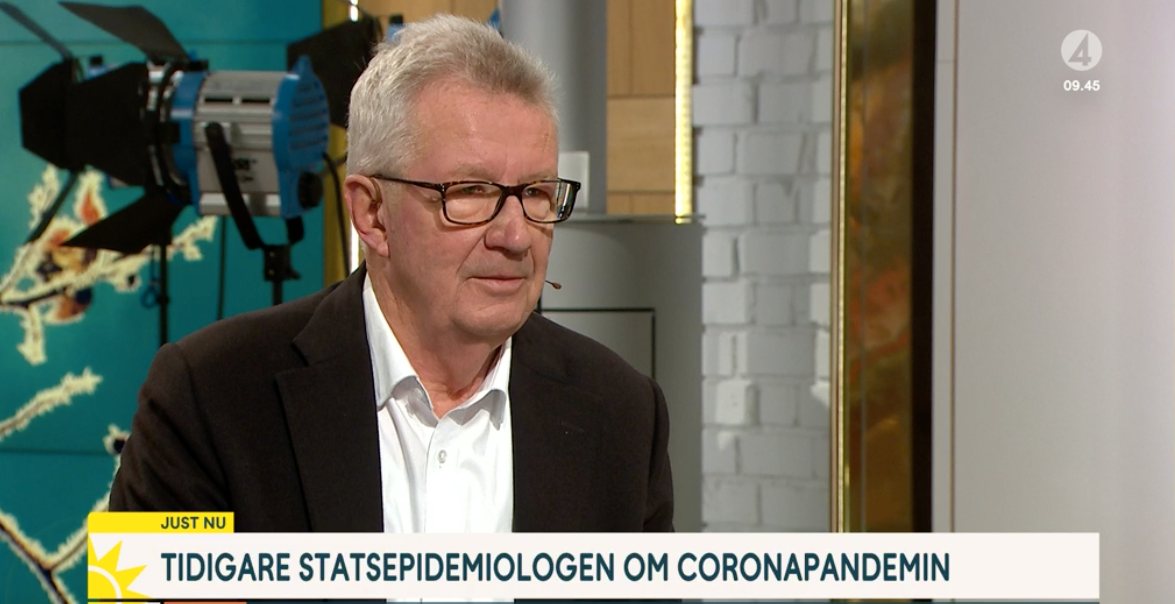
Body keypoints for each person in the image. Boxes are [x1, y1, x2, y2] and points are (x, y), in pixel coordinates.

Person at [109, 14, 674, 534]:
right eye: (471, 192)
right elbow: (140, 590)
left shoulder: (624, 414)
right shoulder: (208, 397)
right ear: (372, 214)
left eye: (536, 194)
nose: (516, 236)